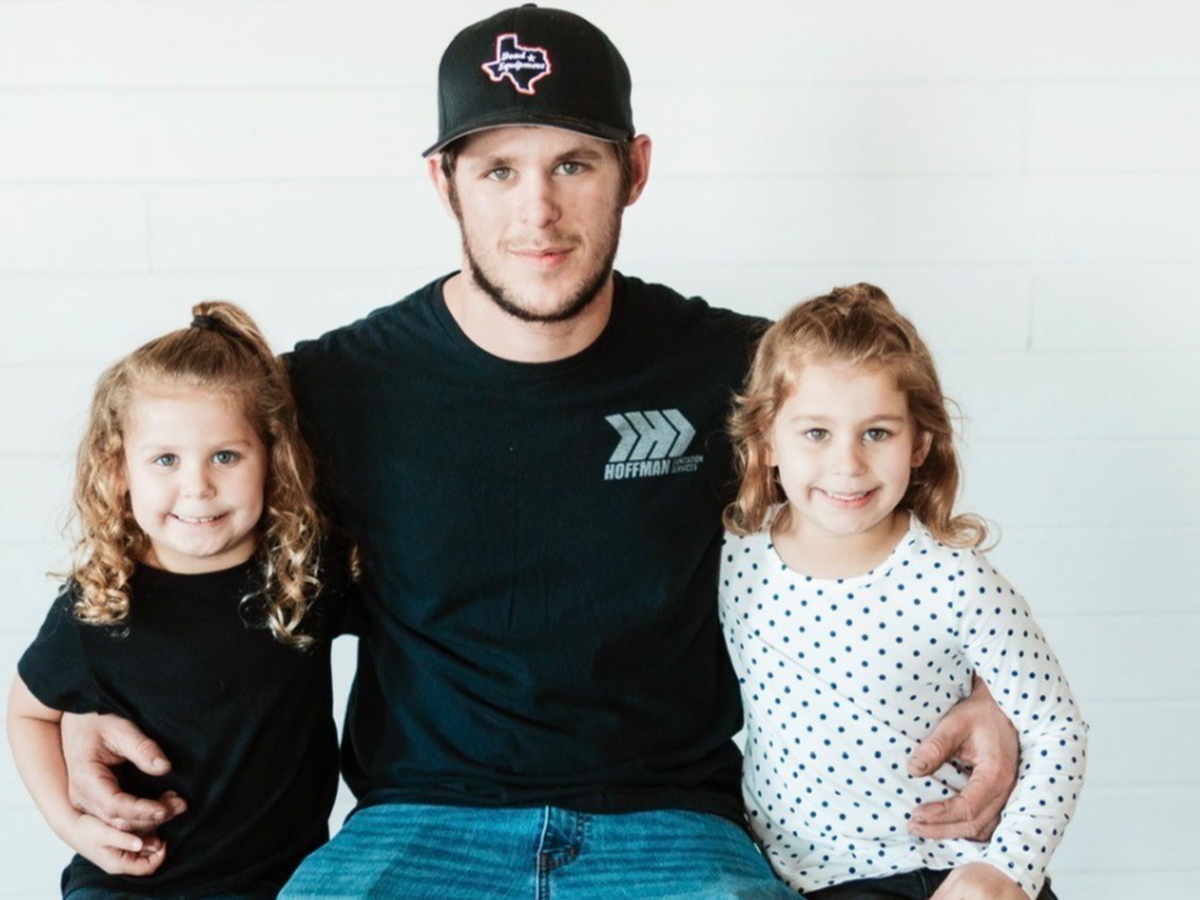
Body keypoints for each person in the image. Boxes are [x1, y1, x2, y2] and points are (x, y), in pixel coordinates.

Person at [58, 8, 1023, 898]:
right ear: (443, 181)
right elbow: (186, 548)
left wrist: (987, 691)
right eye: (498, 171)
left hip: (675, 829)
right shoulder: (328, 391)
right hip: (417, 826)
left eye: (572, 164)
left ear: (634, 170)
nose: (538, 212)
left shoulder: (750, 378)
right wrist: (79, 703)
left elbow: (886, 538)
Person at [720, 284, 1087, 900]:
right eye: (816, 433)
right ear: (766, 439)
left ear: (920, 443)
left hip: (949, 872)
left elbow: (1057, 731)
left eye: (877, 433)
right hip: (812, 881)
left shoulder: (955, 579)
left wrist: (1007, 871)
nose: (848, 464)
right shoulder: (736, 557)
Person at [7, 302, 357, 898]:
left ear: (272, 457)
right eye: (165, 460)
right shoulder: (102, 600)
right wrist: (73, 827)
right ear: (119, 469)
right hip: (132, 882)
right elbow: (28, 714)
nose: (197, 485)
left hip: (282, 881)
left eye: (225, 456)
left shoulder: (306, 574)